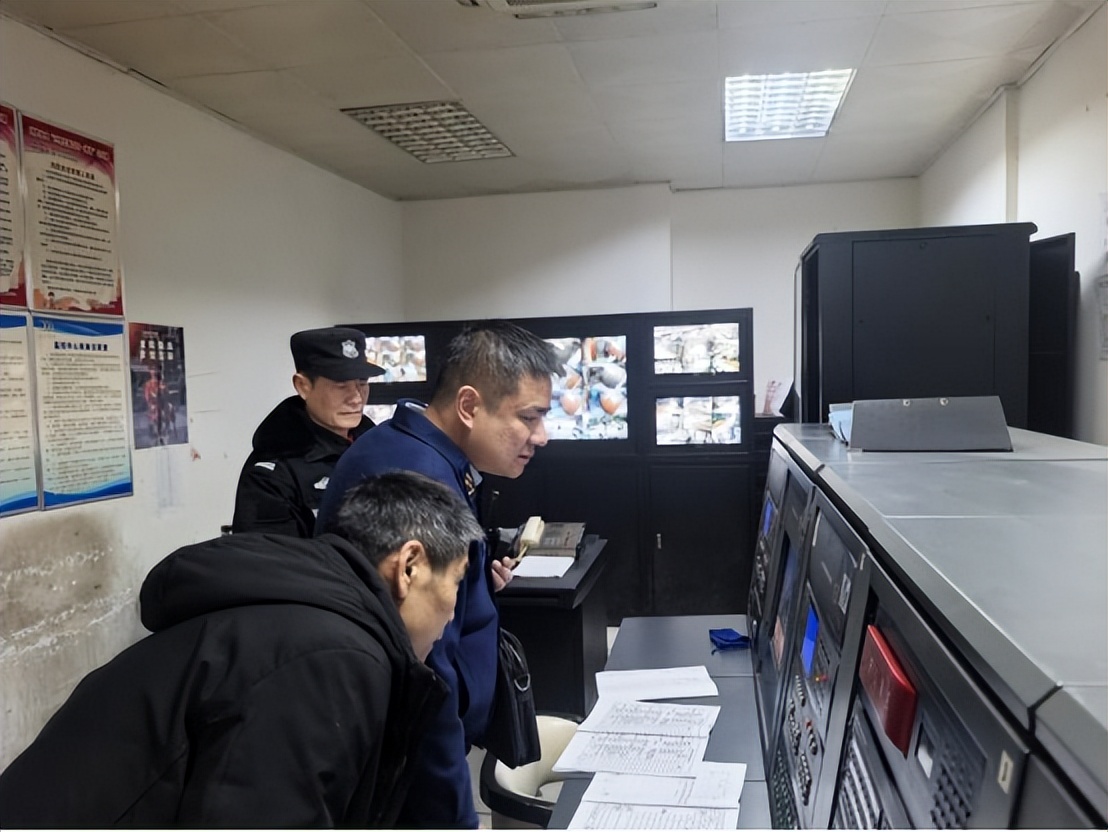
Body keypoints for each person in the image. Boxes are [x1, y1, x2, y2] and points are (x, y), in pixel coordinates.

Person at [0, 471, 483, 828]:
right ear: (409, 566)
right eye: (457, 582)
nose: (452, 612)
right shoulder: (331, 656)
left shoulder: (315, 622)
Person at [316, 319, 560, 828]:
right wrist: (454, 816)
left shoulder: (416, 449)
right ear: (469, 406)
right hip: (407, 760)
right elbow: (427, 680)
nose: (542, 436)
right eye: (529, 417)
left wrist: (472, 584)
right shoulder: (418, 478)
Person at [231, 326, 385, 537]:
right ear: (303, 386)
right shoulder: (272, 474)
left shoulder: (378, 446)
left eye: (362, 383)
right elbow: (268, 555)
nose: (356, 398)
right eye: (341, 386)